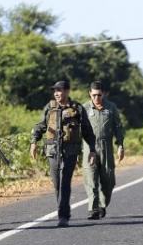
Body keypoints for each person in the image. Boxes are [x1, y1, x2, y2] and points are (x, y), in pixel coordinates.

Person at [30, 80, 96, 227]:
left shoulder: (77, 108)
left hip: (70, 150)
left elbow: (87, 131)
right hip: (52, 150)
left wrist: (92, 150)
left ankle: (63, 216)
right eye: (55, 91)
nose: (56, 93)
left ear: (67, 91)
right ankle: (62, 210)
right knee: (57, 183)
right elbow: (41, 126)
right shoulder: (50, 107)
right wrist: (34, 142)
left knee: (65, 182)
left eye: (59, 90)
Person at [82, 81, 124, 220]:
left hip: (106, 146)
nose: (96, 98)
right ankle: (92, 209)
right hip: (89, 147)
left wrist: (120, 145)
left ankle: (102, 204)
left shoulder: (111, 108)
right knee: (91, 178)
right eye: (93, 95)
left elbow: (118, 127)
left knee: (108, 180)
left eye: (99, 95)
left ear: (104, 94)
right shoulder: (85, 108)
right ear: (90, 94)